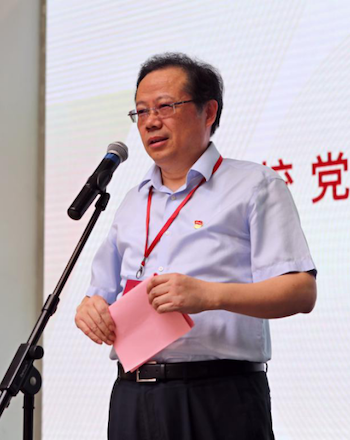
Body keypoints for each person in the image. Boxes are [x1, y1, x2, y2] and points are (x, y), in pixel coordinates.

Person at [74, 52, 317, 440]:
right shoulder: (132, 202)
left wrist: (209, 295)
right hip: (132, 397)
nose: (151, 121)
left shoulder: (254, 186)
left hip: (218, 396)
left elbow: (301, 291)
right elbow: (100, 293)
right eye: (141, 111)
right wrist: (90, 310)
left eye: (165, 106)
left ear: (209, 112)